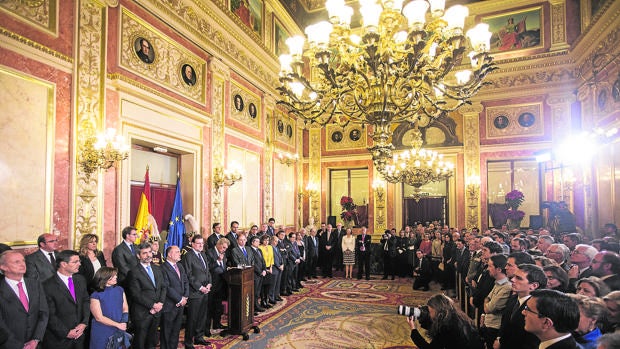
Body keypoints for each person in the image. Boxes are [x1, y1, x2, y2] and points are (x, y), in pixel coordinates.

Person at [42, 250, 90, 349]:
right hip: (59, 339)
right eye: (75, 262)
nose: (79, 264)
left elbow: (86, 301)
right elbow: (49, 314)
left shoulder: (80, 279)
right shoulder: (47, 285)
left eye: (79, 261)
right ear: (63, 264)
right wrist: (66, 332)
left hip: (79, 336)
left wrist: (84, 323)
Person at [0, 250, 49, 348]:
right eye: (16, 262)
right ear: (3, 267)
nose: (22, 264)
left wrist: (35, 339)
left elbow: (43, 313)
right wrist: (17, 346)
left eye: (23, 261)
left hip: (35, 344)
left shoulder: (35, 284)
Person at [495, 263, 548, 349]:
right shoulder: (513, 299)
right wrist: (499, 339)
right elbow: (505, 323)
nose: (512, 279)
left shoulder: (538, 308)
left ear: (534, 285)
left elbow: (532, 340)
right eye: (514, 276)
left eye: (518, 278)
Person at [407, 293, 484, 349]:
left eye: (430, 312)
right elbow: (437, 332)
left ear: (437, 311)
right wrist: (423, 316)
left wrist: (413, 329)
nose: (429, 315)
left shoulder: (446, 327)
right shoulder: (455, 315)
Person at [127, 241, 166, 349]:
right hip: (142, 313)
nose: (148, 255)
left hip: (157, 312)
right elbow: (136, 294)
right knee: (140, 343)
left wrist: (160, 304)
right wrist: (152, 306)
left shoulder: (157, 269)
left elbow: (163, 287)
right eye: (144, 253)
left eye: (149, 252)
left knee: (152, 342)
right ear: (138, 255)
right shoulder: (133, 272)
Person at [181, 234, 212, 347]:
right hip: (195, 293)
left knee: (202, 317)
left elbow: (207, 271)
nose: (200, 245)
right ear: (192, 244)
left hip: (205, 291)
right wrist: (200, 287)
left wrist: (209, 283)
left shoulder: (203, 254)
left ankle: (199, 337)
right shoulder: (188, 256)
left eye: (202, 243)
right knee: (192, 318)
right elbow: (188, 275)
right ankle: (188, 341)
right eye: (198, 243)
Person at [89, 267, 129, 349]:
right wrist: (118, 325)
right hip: (102, 330)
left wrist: (124, 322)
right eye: (113, 276)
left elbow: (125, 307)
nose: (116, 277)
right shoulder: (95, 295)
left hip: (119, 327)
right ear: (104, 277)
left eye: (116, 275)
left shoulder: (120, 289)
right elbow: (99, 317)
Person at [160, 246, 189, 349]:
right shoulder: (163, 268)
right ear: (169, 254)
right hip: (169, 305)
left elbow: (185, 281)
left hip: (180, 304)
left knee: (176, 331)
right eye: (177, 252)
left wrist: (185, 297)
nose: (179, 254)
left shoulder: (180, 266)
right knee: (167, 331)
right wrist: (179, 299)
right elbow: (166, 287)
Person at [481, 254, 512, 349]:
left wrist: (487, 302)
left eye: (490, 266)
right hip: (488, 324)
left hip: (494, 328)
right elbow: (487, 299)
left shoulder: (506, 287)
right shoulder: (497, 282)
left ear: (498, 269)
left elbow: (488, 308)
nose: (487, 268)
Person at [205, 237, 229, 334]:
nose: (224, 250)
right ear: (219, 244)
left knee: (218, 307)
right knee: (210, 307)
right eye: (223, 247)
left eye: (225, 248)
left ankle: (217, 323)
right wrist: (218, 260)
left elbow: (223, 267)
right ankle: (206, 329)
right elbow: (208, 268)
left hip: (221, 283)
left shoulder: (223, 253)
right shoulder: (209, 252)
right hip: (212, 283)